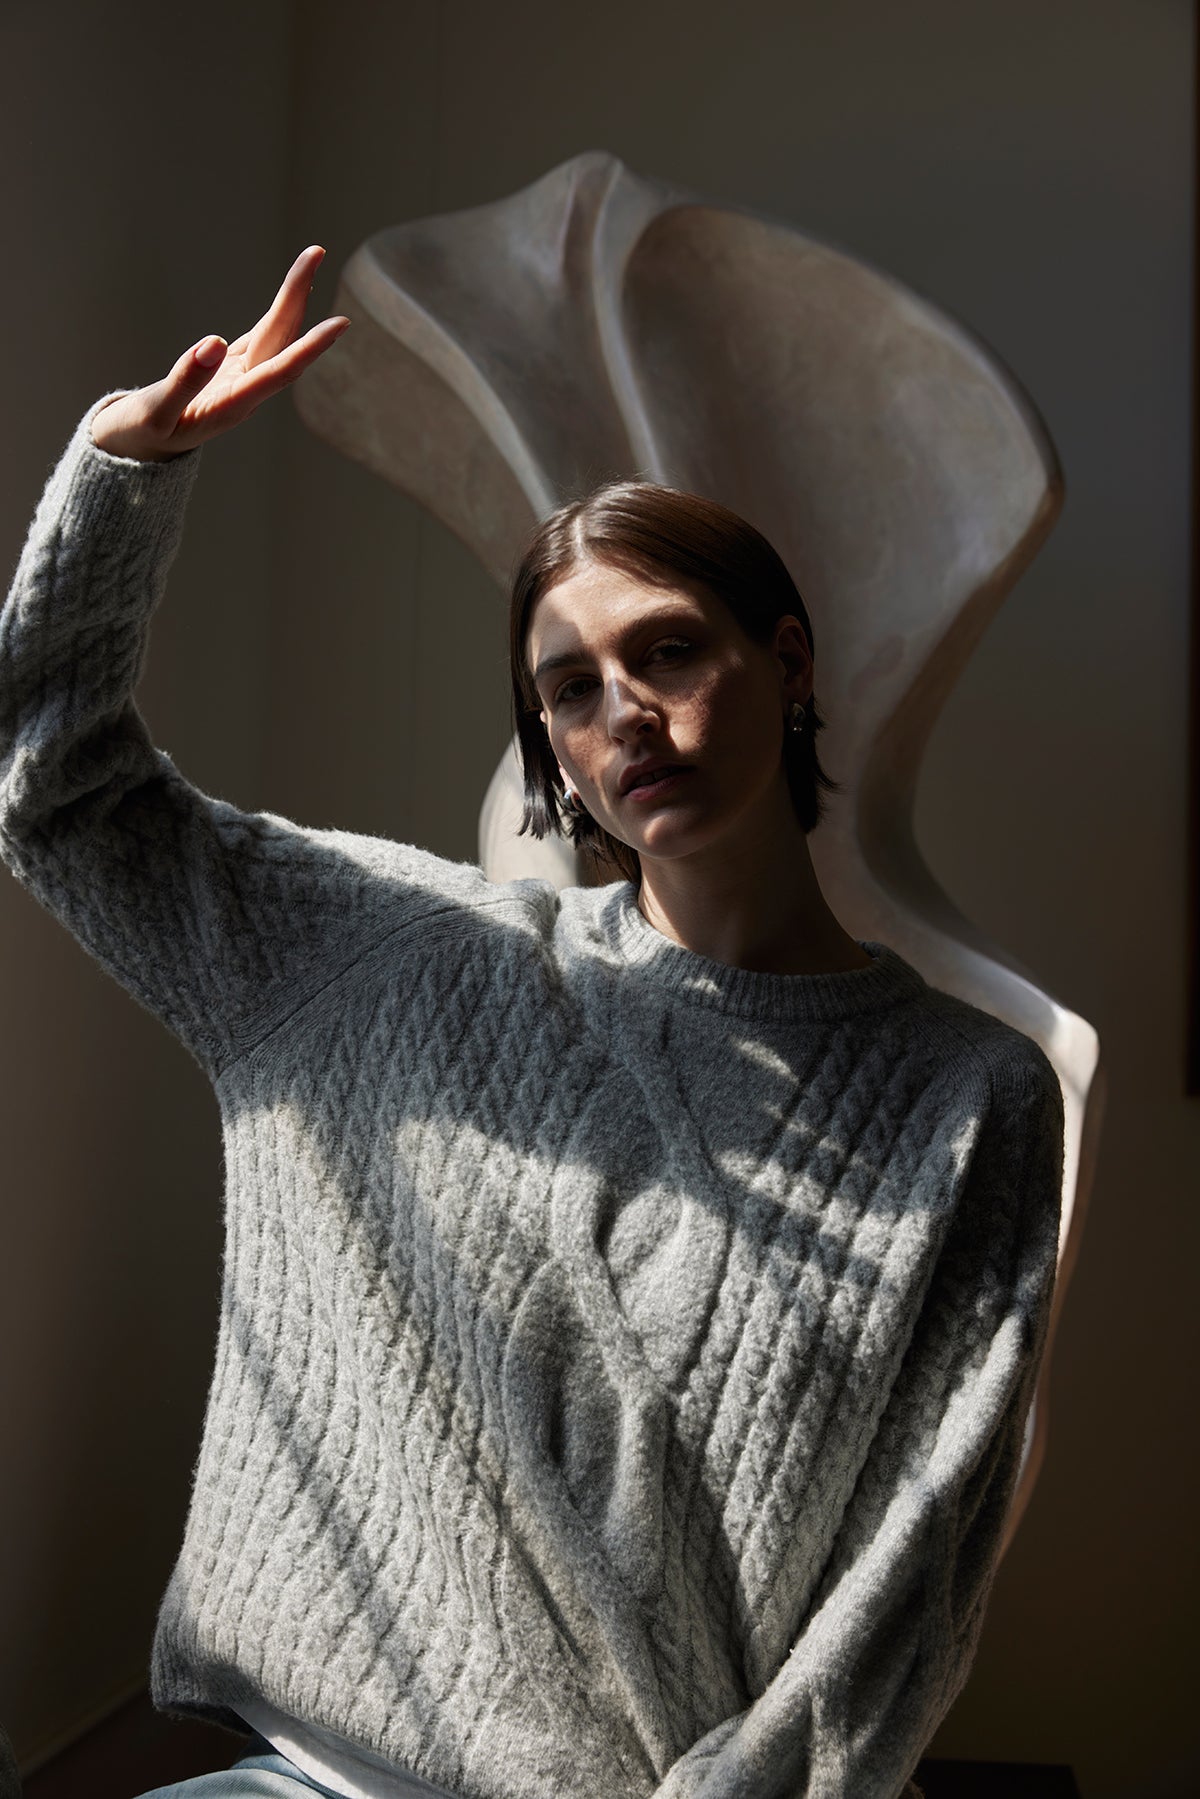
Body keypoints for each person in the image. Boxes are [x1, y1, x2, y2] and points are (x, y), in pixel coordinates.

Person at [0, 246, 1064, 1799]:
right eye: (570, 690)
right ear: (553, 756)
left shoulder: (975, 1096)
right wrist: (119, 468)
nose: (625, 710)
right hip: (301, 1775)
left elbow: (911, 1586)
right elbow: (63, 792)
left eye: (671, 649)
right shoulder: (392, 957)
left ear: (786, 666)